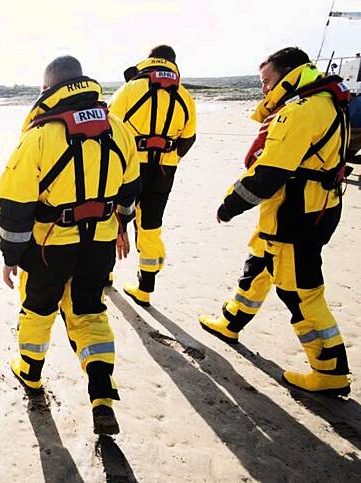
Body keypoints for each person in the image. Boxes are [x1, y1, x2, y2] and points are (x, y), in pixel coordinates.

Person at [0, 56, 140, 434]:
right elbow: (131, 187)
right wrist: (123, 224)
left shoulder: (40, 134)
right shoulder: (119, 128)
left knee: (38, 309)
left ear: (48, 89)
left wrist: (11, 257)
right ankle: (102, 394)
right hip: (100, 241)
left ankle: (29, 374)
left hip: (50, 245)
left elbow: (14, 203)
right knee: (90, 312)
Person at [199, 47, 352, 396]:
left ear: (288, 74)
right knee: (260, 262)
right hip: (311, 207)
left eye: (267, 81)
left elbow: (268, 174)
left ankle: (330, 369)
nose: (265, 90)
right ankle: (231, 321)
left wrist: (229, 205)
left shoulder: (300, 110)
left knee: (300, 291)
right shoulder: (328, 103)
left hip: (297, 215)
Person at [108, 45, 197, 306]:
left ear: (149, 61)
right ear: (173, 63)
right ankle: (146, 287)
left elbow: (110, 129)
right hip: (163, 171)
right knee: (150, 225)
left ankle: (105, 275)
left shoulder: (128, 90)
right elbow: (188, 139)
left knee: (115, 221)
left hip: (130, 168)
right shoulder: (185, 96)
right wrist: (170, 158)